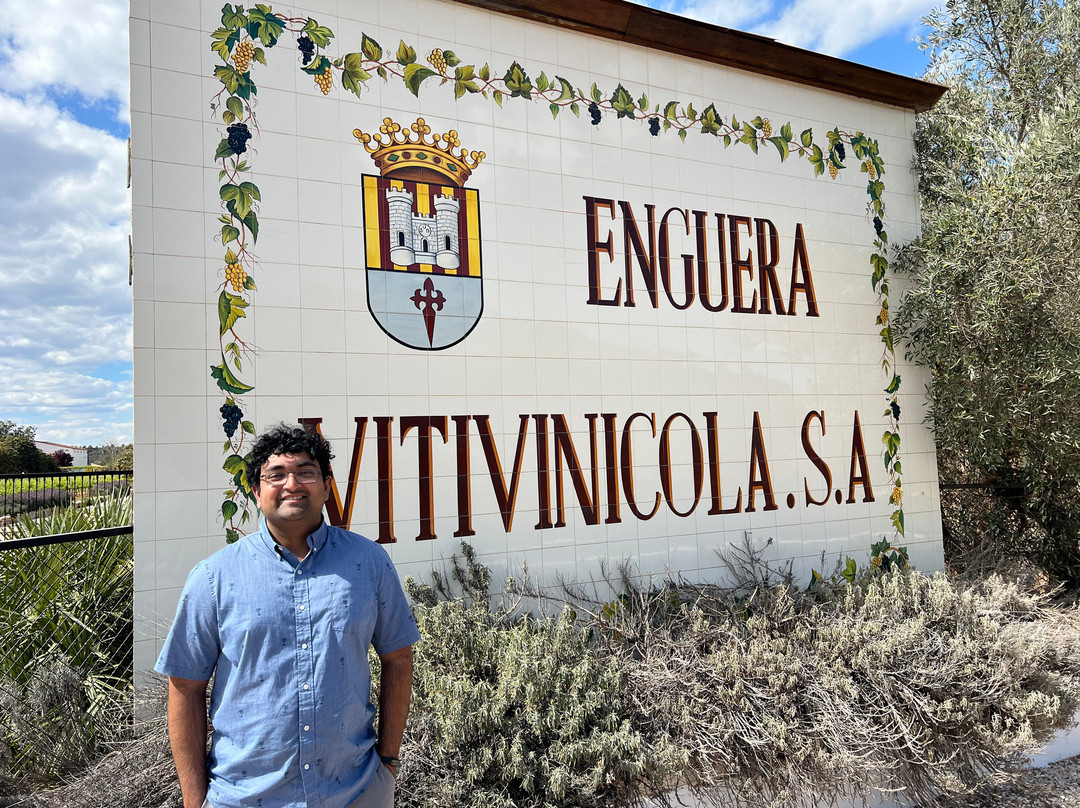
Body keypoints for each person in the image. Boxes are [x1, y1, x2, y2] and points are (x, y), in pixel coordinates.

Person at [155, 423, 420, 808]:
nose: (292, 484)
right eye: (275, 474)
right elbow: (185, 688)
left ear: (327, 486)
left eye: (306, 472)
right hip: (244, 798)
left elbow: (398, 658)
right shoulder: (213, 577)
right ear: (255, 490)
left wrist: (388, 766)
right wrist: (194, 802)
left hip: (355, 793)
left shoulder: (369, 563)